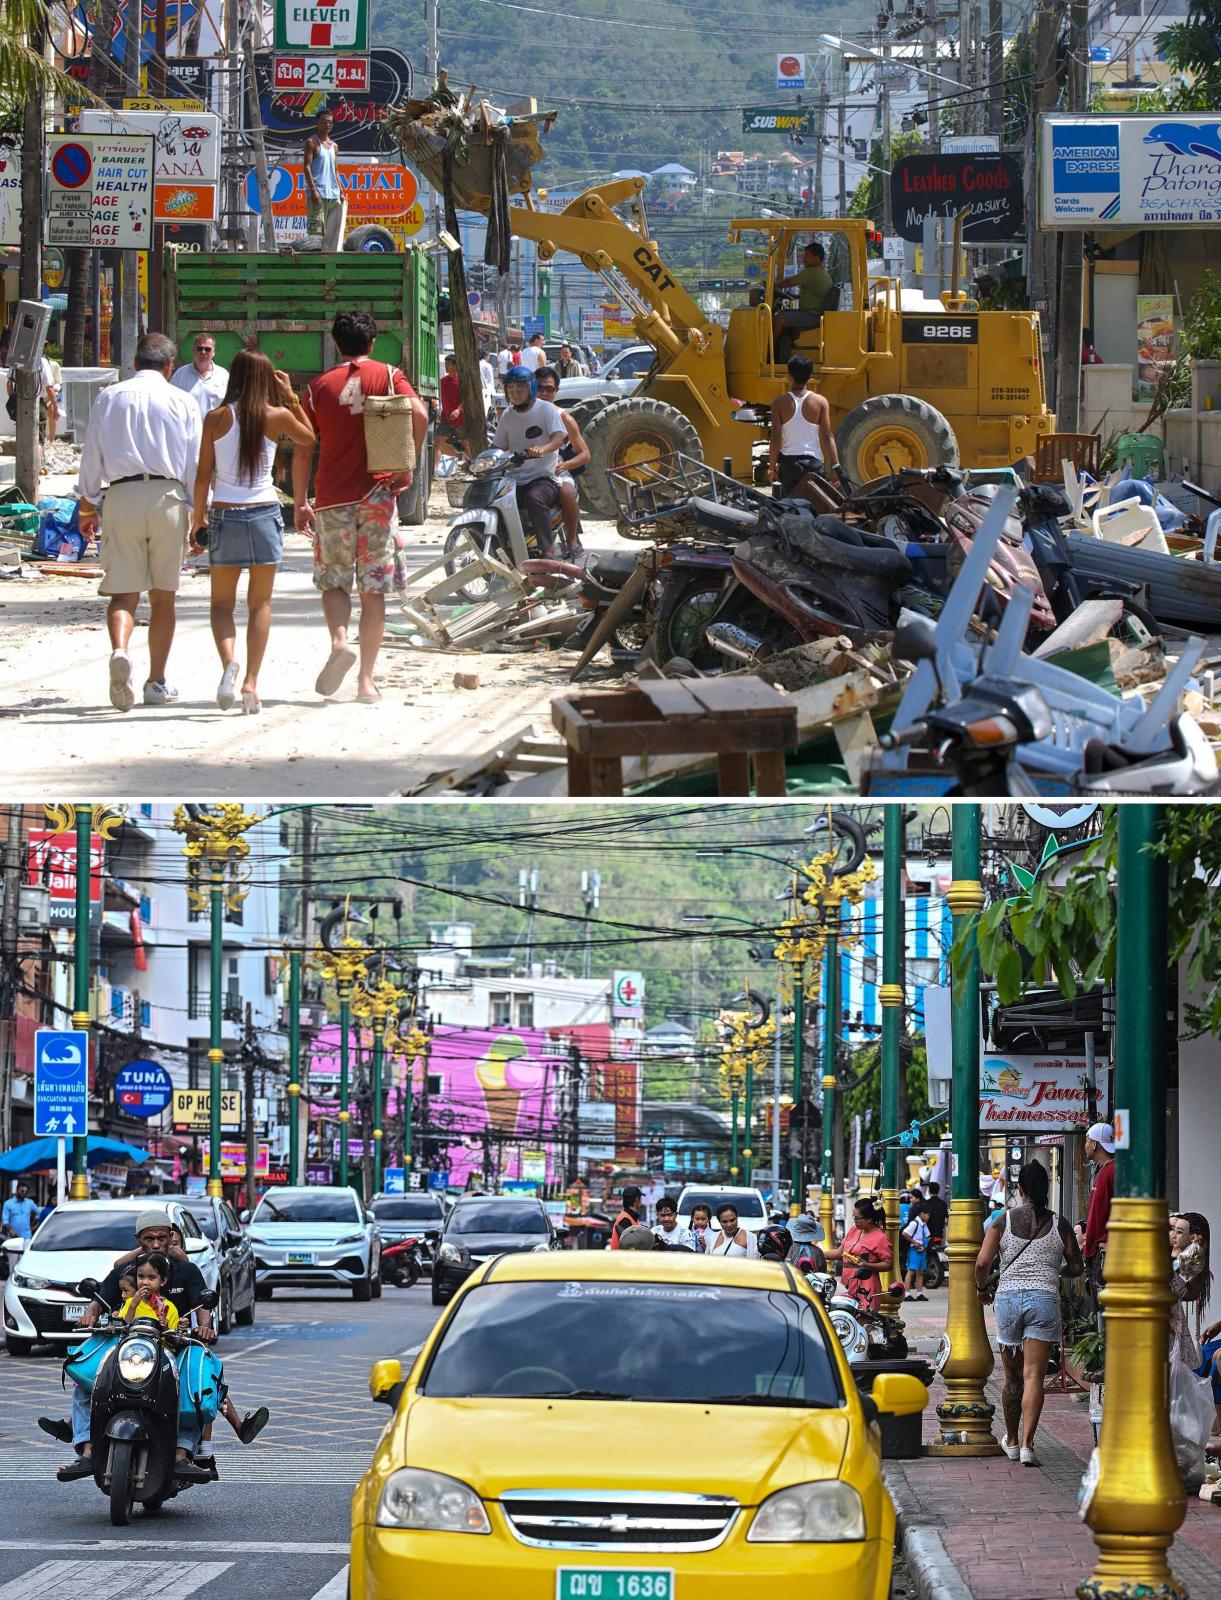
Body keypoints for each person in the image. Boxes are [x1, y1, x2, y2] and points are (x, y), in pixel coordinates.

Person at [293, 310, 428, 704]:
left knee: (334, 581)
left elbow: (303, 450)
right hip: (378, 497)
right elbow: (419, 414)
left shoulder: (318, 388)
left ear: (336, 344)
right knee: (374, 591)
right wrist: (407, 464)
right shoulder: (388, 376)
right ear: (372, 343)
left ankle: (339, 643)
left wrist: (301, 502)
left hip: (333, 497)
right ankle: (366, 682)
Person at [77, 332, 202, 713]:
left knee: (123, 593)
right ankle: (156, 682)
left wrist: (87, 506)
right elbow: (195, 463)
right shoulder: (183, 401)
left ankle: (120, 651)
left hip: (121, 497)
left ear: (134, 364)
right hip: (168, 498)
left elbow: (92, 455)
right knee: (163, 597)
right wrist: (199, 514)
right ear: (169, 366)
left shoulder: (109, 398)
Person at [191, 348, 314, 714]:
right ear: (265, 380)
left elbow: (202, 477)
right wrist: (291, 396)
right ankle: (251, 685)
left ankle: (230, 662)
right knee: (259, 603)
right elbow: (309, 437)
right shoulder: (277, 417)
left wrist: (198, 520)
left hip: (225, 515)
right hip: (263, 514)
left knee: (221, 605)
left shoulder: (215, 418)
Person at [975, 1160, 1083, 1466]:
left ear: (1019, 1189)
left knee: (1012, 1378)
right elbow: (1077, 1267)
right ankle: (1027, 1445)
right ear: (1046, 1188)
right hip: (1045, 1299)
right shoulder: (1060, 1224)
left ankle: (1010, 1439)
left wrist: (981, 1289)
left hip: (1008, 1299)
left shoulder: (1001, 1221)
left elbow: (982, 1264)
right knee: (1034, 1375)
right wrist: (1053, 1270)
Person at [492, 365, 567, 558]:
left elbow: (558, 438)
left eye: (520, 388)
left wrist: (542, 448)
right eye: (511, 389)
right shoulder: (507, 415)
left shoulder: (546, 409)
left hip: (544, 478)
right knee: (493, 499)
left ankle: (548, 550)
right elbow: (498, 446)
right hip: (514, 478)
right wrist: (476, 461)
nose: (515, 393)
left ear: (531, 388)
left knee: (534, 498)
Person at [533, 366, 589, 558]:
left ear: (556, 391)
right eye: (539, 388)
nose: (544, 393)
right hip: (526, 469)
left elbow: (585, 454)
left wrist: (565, 466)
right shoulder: (521, 414)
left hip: (556, 470)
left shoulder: (564, 418)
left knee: (566, 492)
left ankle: (572, 539)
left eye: (549, 389)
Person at [767, 354, 840, 496]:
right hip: (813, 465)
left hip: (789, 466)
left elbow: (776, 437)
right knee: (813, 508)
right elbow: (827, 436)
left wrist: (771, 468)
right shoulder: (820, 402)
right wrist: (836, 468)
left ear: (790, 376)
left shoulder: (779, 403)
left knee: (789, 509)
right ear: (809, 376)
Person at [825, 1198, 893, 1311]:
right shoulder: (853, 1231)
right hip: (847, 1281)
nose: (854, 1221)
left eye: (857, 1218)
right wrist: (818, 1254)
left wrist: (867, 1265)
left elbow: (888, 1264)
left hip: (866, 1284)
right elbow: (840, 1253)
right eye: (853, 1217)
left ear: (869, 1219)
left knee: (863, 1319)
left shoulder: (880, 1238)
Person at [774, 241, 834, 360]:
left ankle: (768, 350)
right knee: (782, 315)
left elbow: (787, 282)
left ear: (816, 258)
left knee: (780, 319)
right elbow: (816, 293)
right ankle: (782, 351)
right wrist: (797, 297)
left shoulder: (811, 272)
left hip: (813, 315)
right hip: (815, 313)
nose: (803, 259)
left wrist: (772, 284)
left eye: (806, 256)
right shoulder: (821, 272)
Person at [1082, 1122, 1116, 1291]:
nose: (1085, 1145)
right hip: (1096, 1251)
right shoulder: (1103, 1170)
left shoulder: (1112, 1170)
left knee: (1105, 1313)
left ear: (1095, 1144)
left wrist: (1114, 1242)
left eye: (1087, 1141)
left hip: (1105, 1253)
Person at [304, 111, 344, 250]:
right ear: (317, 123)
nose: (327, 125)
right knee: (316, 233)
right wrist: (313, 190)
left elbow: (336, 170)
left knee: (333, 233)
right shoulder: (312, 142)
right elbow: (306, 166)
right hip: (318, 195)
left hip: (333, 196)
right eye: (324, 122)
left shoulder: (334, 146)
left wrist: (341, 191)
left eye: (330, 122)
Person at [171, 332, 229, 418]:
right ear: (193, 351)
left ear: (213, 352)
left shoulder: (224, 375)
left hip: (215, 430)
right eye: (199, 348)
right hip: (188, 430)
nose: (203, 352)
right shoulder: (181, 374)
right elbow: (171, 403)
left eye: (208, 349)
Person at [120, 1250, 179, 1330]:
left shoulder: (170, 1308)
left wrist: (166, 1328)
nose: (145, 1282)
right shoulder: (131, 1302)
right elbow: (122, 1331)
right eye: (141, 1276)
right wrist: (133, 1306)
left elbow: (172, 1340)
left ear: (163, 1281)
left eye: (151, 1277)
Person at [6, 356, 59, 442]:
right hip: (38, 402)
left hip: (20, 401)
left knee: (23, 435)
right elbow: (49, 388)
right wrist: (55, 407)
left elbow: (9, 383)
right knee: (39, 439)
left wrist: (12, 399)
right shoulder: (42, 361)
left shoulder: (16, 360)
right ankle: (39, 452)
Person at [435, 353, 467, 472]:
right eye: (446, 364)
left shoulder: (462, 382)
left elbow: (466, 400)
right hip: (446, 420)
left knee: (465, 446)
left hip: (460, 420)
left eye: (448, 364)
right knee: (438, 443)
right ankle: (435, 471)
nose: (446, 367)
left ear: (455, 366)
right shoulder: (442, 381)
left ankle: (476, 468)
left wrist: (458, 410)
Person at [902, 1202, 931, 1301]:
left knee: (920, 1272)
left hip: (921, 1250)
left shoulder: (923, 1224)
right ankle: (907, 1293)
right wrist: (915, 1243)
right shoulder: (915, 1223)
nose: (928, 1217)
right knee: (911, 1271)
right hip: (914, 1250)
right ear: (922, 1213)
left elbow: (927, 1235)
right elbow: (905, 1233)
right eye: (927, 1214)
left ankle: (919, 1293)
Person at [608, 1184, 644, 1249]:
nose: (642, 1201)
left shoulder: (630, 1217)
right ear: (636, 1200)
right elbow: (628, 1245)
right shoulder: (625, 1219)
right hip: (621, 1258)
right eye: (640, 1198)